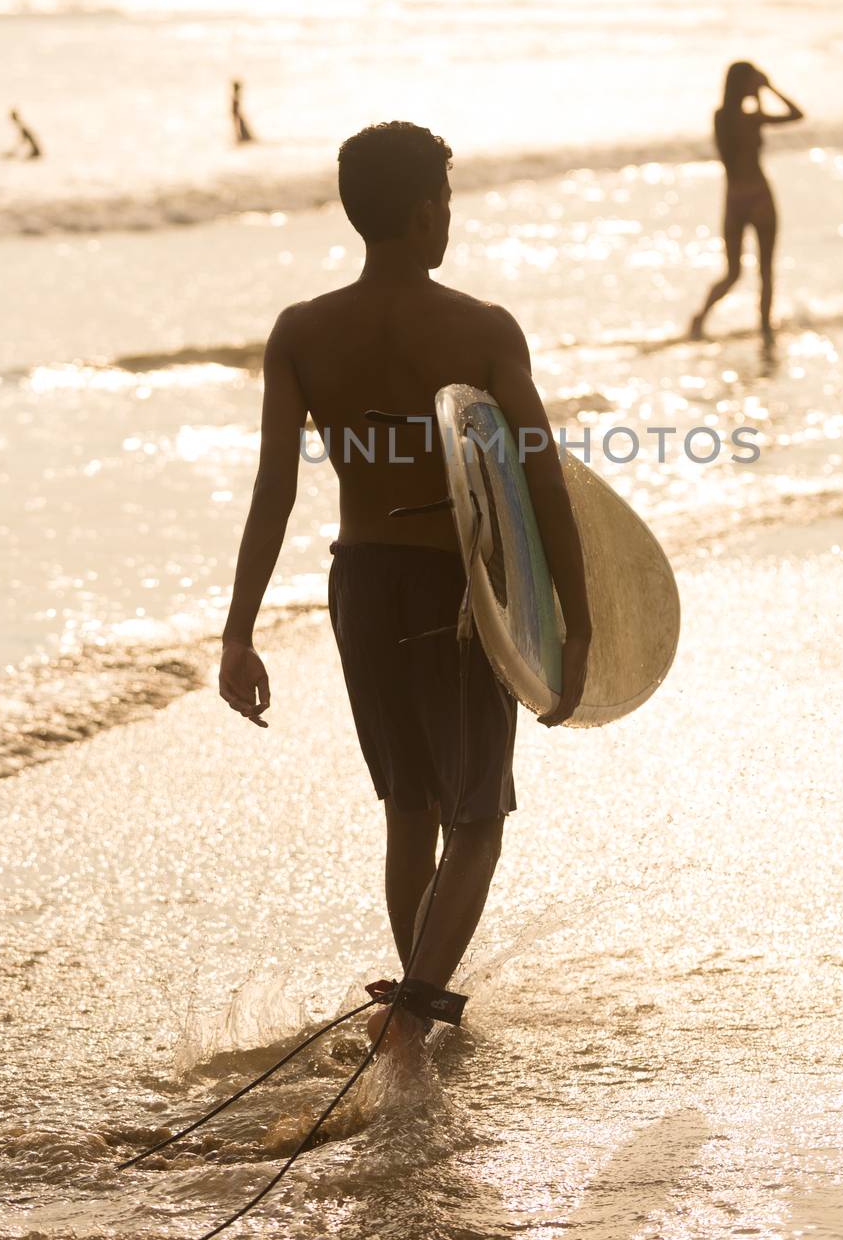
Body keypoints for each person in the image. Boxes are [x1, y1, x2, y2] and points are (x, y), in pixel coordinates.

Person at [218, 121, 592, 1060]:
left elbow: (275, 489)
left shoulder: (301, 331)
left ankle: (412, 1012)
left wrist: (237, 633)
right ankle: (414, 1010)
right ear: (428, 212)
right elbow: (539, 477)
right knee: (476, 817)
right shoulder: (479, 328)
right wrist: (577, 625)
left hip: (363, 580)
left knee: (408, 810)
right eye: (449, 205)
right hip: (457, 592)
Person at [688, 62, 803, 348]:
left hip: (734, 200)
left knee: (733, 272)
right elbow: (796, 114)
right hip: (759, 197)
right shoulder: (750, 119)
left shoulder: (721, 118)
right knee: (765, 271)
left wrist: (760, 93)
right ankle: (764, 328)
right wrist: (768, 89)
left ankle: (701, 318)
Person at [230, 79, 254, 144]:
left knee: (242, 130)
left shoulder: (235, 96)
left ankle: (242, 138)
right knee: (241, 130)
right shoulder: (235, 97)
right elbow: (234, 110)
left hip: (238, 116)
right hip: (237, 116)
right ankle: (242, 139)